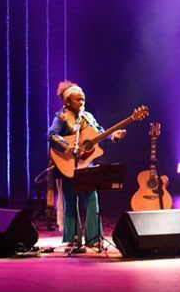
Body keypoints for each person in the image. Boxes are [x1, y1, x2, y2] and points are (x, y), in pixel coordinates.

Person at [47, 81, 126, 248]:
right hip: (68, 166)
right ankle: (72, 239)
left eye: (83, 99)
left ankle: (94, 239)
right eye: (78, 100)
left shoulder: (88, 117)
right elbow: (52, 135)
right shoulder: (61, 117)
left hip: (87, 166)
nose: (82, 102)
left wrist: (113, 136)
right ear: (68, 102)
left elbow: (99, 132)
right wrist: (69, 147)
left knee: (92, 200)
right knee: (71, 202)